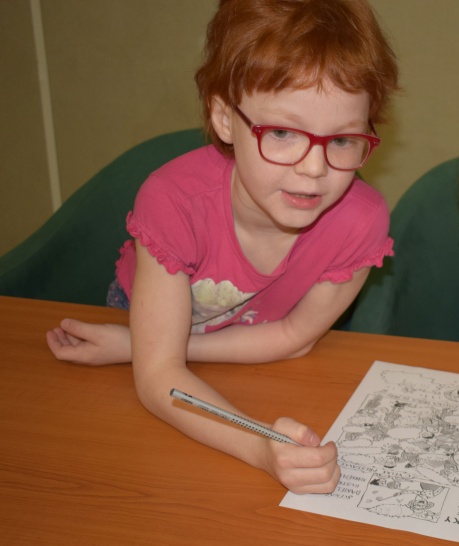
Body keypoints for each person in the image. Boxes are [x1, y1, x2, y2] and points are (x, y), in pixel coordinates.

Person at [46, 0, 398, 494]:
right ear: (224, 118)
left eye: (342, 141)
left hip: (256, 343)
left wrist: (138, 350)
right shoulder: (172, 201)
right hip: (140, 316)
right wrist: (259, 447)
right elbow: (159, 379)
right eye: (282, 132)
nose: (314, 169)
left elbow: (294, 338)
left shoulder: (362, 222)